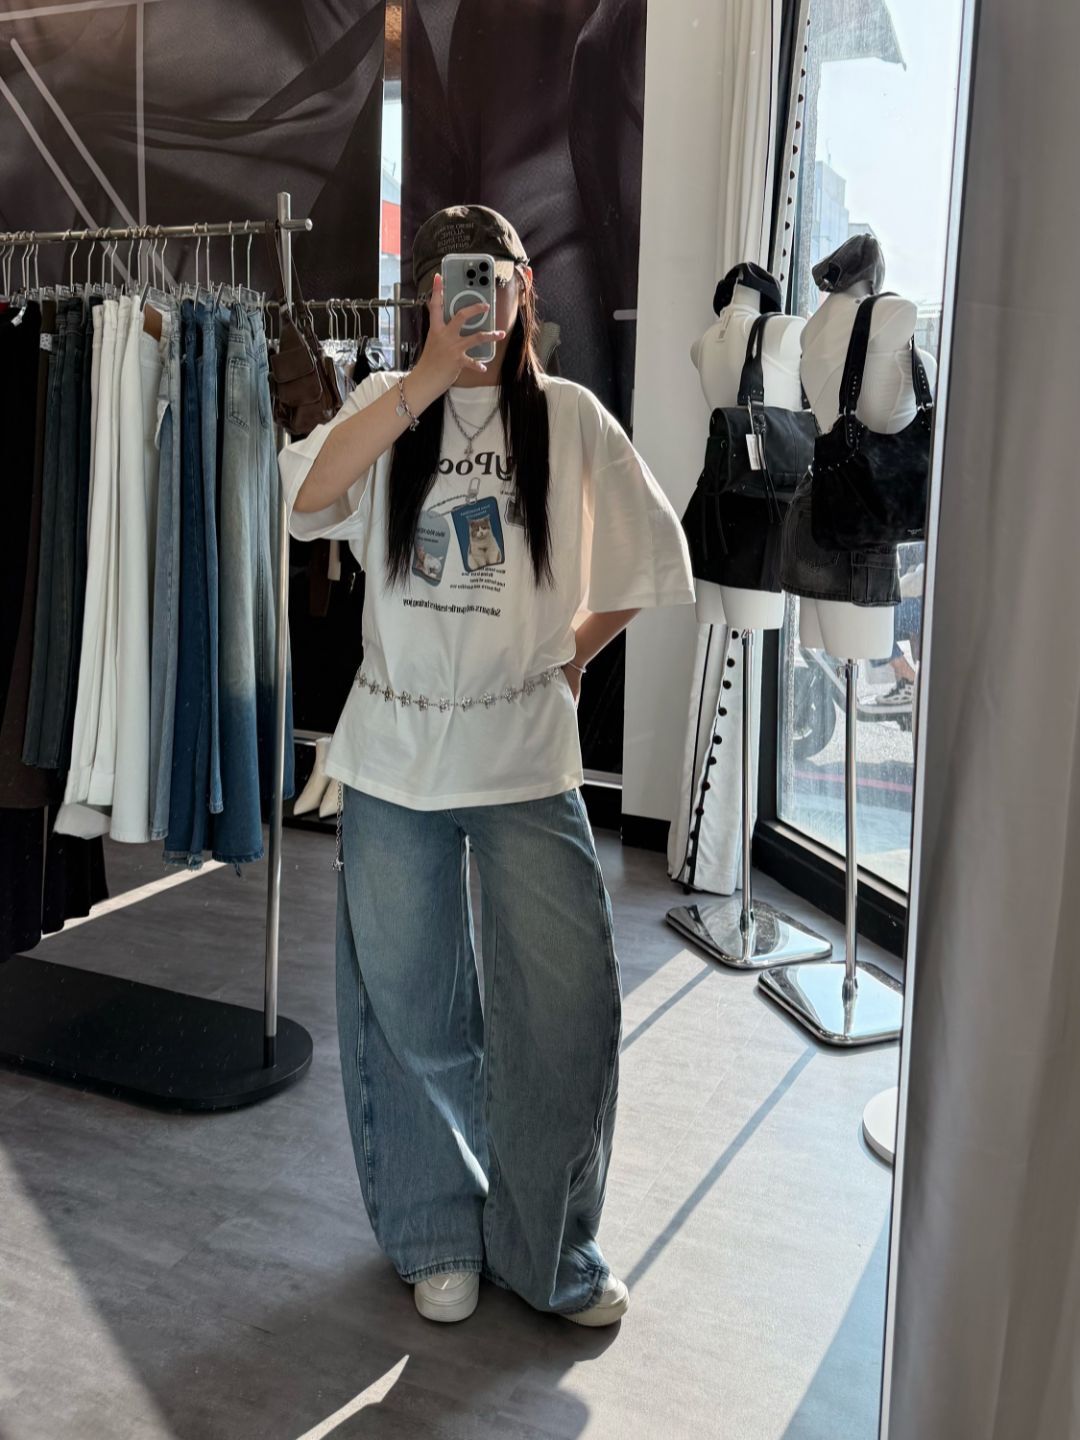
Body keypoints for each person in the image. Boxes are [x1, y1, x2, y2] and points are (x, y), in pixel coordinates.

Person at [279, 205, 695, 1328]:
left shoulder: (567, 415)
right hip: (395, 757)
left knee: (566, 1012)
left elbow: (652, 555)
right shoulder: (386, 406)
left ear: (524, 289)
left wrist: (574, 656)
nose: (476, 297)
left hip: (526, 756)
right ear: (424, 296)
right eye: (453, 281)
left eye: (495, 276)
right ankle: (434, 1233)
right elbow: (305, 500)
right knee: (412, 1009)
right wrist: (421, 379)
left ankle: (545, 1248)